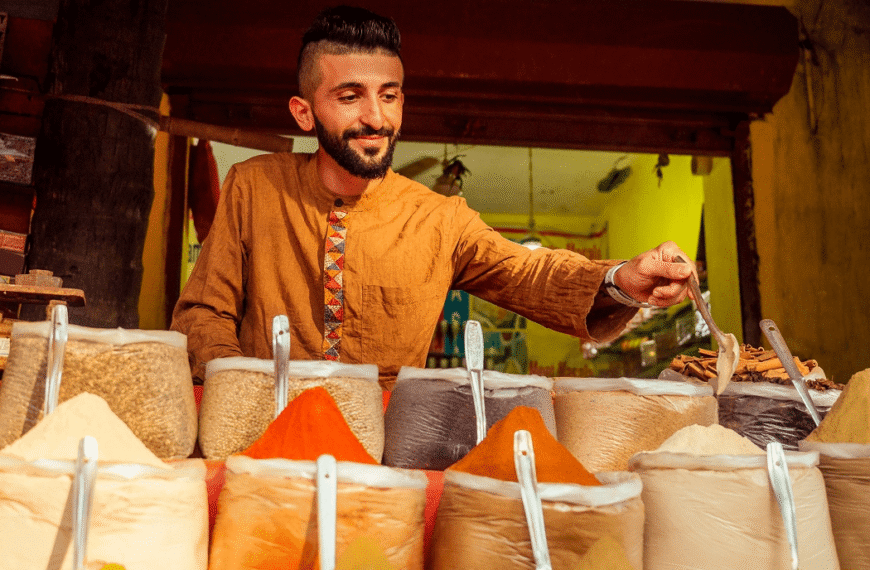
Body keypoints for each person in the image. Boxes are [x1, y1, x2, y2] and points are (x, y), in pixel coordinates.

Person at [171, 5, 696, 387]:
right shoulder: (255, 187)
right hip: (263, 445)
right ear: (304, 113)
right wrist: (240, 391)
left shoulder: (439, 219)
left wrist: (620, 279)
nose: (376, 118)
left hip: (384, 459)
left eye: (390, 96)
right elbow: (203, 312)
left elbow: (528, 273)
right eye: (349, 96)